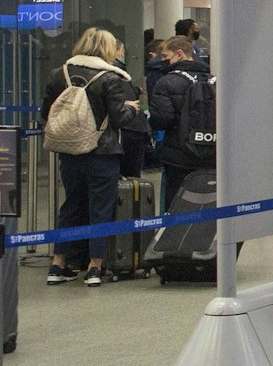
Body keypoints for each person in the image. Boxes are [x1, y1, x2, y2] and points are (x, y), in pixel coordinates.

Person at [42, 28, 145, 288]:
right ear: (108, 49)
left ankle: (58, 263)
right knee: (100, 209)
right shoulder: (110, 78)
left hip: (70, 151)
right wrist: (131, 109)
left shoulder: (59, 74)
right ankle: (94, 267)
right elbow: (119, 118)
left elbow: (47, 112)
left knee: (71, 206)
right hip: (102, 152)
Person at [149, 35, 213, 207]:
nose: (162, 61)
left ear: (179, 54)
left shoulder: (167, 82)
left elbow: (162, 119)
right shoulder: (213, 79)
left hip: (178, 155)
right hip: (211, 152)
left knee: (176, 203)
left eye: (165, 56)